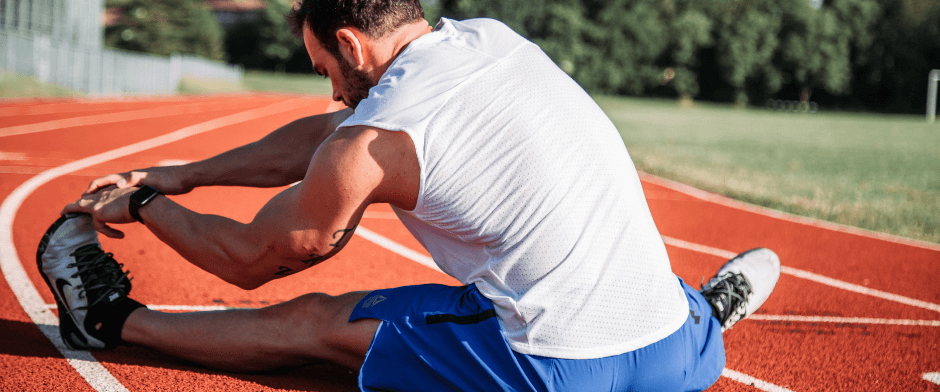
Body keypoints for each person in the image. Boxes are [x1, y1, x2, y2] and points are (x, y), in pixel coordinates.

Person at [37, 0, 781, 390]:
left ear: (352, 47)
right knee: (611, 257)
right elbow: (328, 134)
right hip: (673, 357)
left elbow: (250, 257)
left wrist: (143, 205)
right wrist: (185, 173)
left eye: (324, 64)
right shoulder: (487, 40)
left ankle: (110, 323)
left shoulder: (372, 143)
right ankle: (707, 313)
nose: (330, 88)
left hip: (553, 372)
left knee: (312, 324)